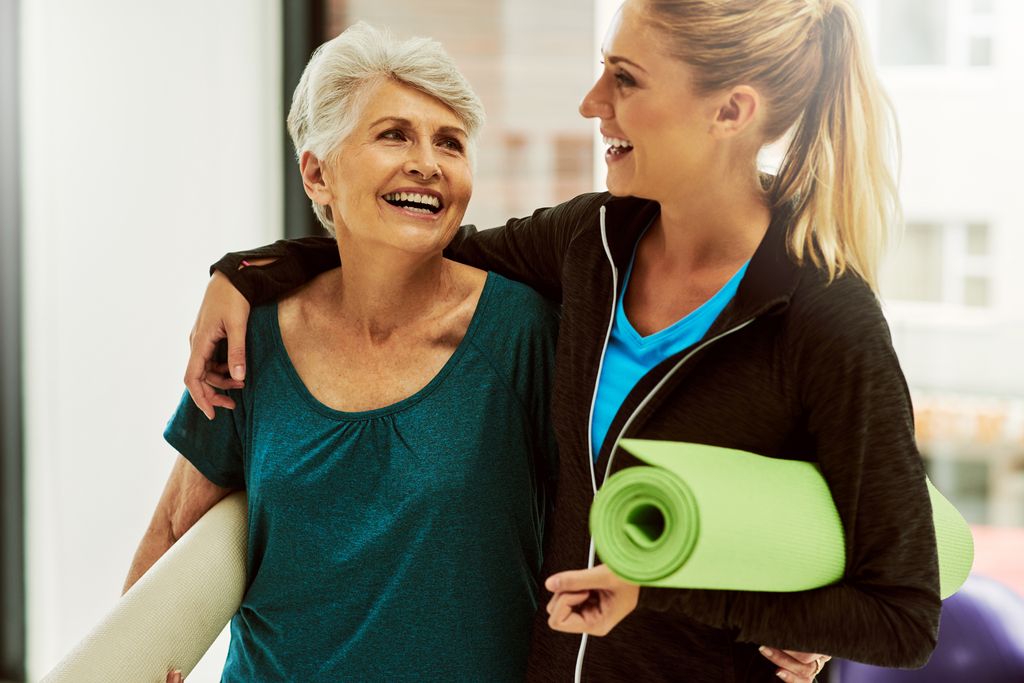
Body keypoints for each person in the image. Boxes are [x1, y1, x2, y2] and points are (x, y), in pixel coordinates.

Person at [184, 1, 941, 681]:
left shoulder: (823, 317)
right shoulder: (591, 244)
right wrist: (247, 273)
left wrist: (681, 595)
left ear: (730, 112)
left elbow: (904, 614)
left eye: (626, 80)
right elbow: (416, 243)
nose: (592, 103)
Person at [123, 22, 559, 682]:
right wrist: (132, 663)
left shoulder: (521, 330)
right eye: (394, 134)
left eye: (451, 143)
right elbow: (173, 532)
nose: (428, 162)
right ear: (317, 172)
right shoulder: (249, 336)